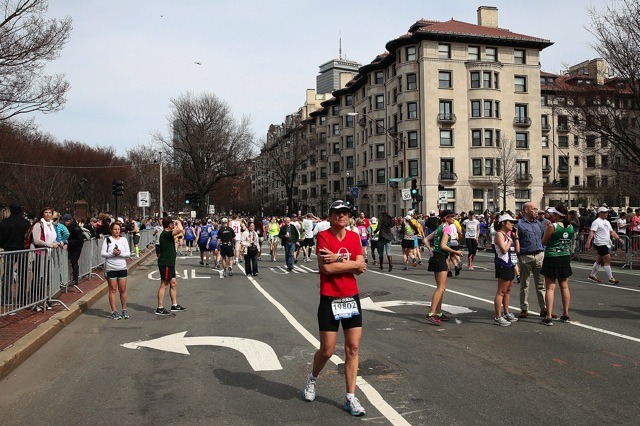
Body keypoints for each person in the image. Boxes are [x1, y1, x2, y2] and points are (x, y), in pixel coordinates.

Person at [303, 200, 367, 416]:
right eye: (337, 213)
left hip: (351, 297)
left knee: (353, 348)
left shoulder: (354, 237)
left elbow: (362, 265)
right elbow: (327, 268)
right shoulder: (323, 236)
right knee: (327, 350)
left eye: (345, 213)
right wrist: (352, 263)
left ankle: (350, 397)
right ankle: (312, 378)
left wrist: (339, 258)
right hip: (330, 298)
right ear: (330, 216)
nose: (341, 216)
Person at [424, 210, 462, 325]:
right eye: (452, 217)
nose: (454, 219)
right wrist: (456, 252)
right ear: (446, 218)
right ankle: (431, 313)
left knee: (440, 287)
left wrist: (430, 250)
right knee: (441, 288)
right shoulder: (447, 228)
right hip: (440, 257)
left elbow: (425, 239)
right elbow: (443, 245)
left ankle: (439, 313)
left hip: (435, 256)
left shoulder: (440, 227)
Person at [515, 202, 553, 319]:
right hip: (526, 256)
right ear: (526, 210)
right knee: (524, 284)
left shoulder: (538, 224)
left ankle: (544, 308)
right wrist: (519, 255)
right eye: (534, 209)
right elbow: (516, 239)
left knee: (541, 284)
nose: (536, 211)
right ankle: (524, 308)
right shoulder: (519, 224)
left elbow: (543, 237)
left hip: (539, 254)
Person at [540, 205, 574, 326]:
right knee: (564, 286)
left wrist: (546, 230)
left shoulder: (552, 226)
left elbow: (544, 242)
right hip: (564, 256)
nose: (552, 216)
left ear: (558, 215)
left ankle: (549, 316)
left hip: (552, 256)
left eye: (554, 214)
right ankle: (565, 314)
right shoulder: (570, 226)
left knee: (550, 287)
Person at [0, 202, 31, 307]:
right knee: (22, 275)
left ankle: (6, 298)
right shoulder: (26, 223)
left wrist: (5, 245)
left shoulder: (4, 223)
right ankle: (22, 298)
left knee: (7, 275)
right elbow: (28, 238)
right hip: (23, 250)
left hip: (9, 250)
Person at [31, 207, 61, 311]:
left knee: (47, 279)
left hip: (48, 254)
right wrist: (50, 244)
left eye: (50, 213)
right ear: (42, 214)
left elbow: (53, 239)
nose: (48, 214)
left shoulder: (51, 225)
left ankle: (44, 299)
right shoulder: (38, 225)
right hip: (40, 254)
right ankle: (36, 301)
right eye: (46, 213)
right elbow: (37, 240)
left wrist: (58, 243)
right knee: (39, 278)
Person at [493, 214, 520, 326]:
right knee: (501, 292)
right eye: (510, 222)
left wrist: (516, 237)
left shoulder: (508, 235)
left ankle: (506, 312)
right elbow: (503, 250)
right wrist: (509, 240)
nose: (513, 224)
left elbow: (517, 250)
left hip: (510, 264)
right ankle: (498, 316)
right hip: (502, 264)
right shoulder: (499, 234)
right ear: (503, 223)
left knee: (508, 291)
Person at [155, 216, 186, 315]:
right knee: (164, 284)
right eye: (172, 223)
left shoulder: (168, 234)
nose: (174, 225)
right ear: (169, 225)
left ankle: (174, 304)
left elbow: (181, 232)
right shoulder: (166, 234)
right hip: (166, 263)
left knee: (173, 283)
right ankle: (159, 307)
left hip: (170, 263)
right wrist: (178, 221)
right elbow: (180, 229)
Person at [586, 206, 624, 284]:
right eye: (604, 212)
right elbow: (592, 232)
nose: (606, 213)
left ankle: (592, 275)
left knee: (599, 260)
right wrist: (588, 242)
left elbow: (611, 232)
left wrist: (618, 238)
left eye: (607, 212)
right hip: (600, 243)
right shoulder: (596, 222)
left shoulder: (607, 222)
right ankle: (611, 278)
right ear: (600, 213)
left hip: (606, 243)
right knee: (607, 258)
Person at [101, 221, 131, 319]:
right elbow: (103, 253)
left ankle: (124, 309)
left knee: (122, 289)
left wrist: (120, 253)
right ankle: (114, 311)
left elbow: (128, 254)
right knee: (113, 289)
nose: (117, 231)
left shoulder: (123, 239)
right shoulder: (107, 240)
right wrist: (112, 254)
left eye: (118, 229)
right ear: (111, 230)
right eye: (115, 229)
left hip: (122, 267)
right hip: (111, 267)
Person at [61, 214, 84, 288]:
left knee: (74, 262)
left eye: (66, 221)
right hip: (71, 247)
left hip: (75, 248)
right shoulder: (70, 227)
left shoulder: (76, 228)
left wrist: (69, 241)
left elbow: (80, 240)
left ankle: (75, 279)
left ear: (69, 221)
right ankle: (71, 278)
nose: (65, 223)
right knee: (72, 262)